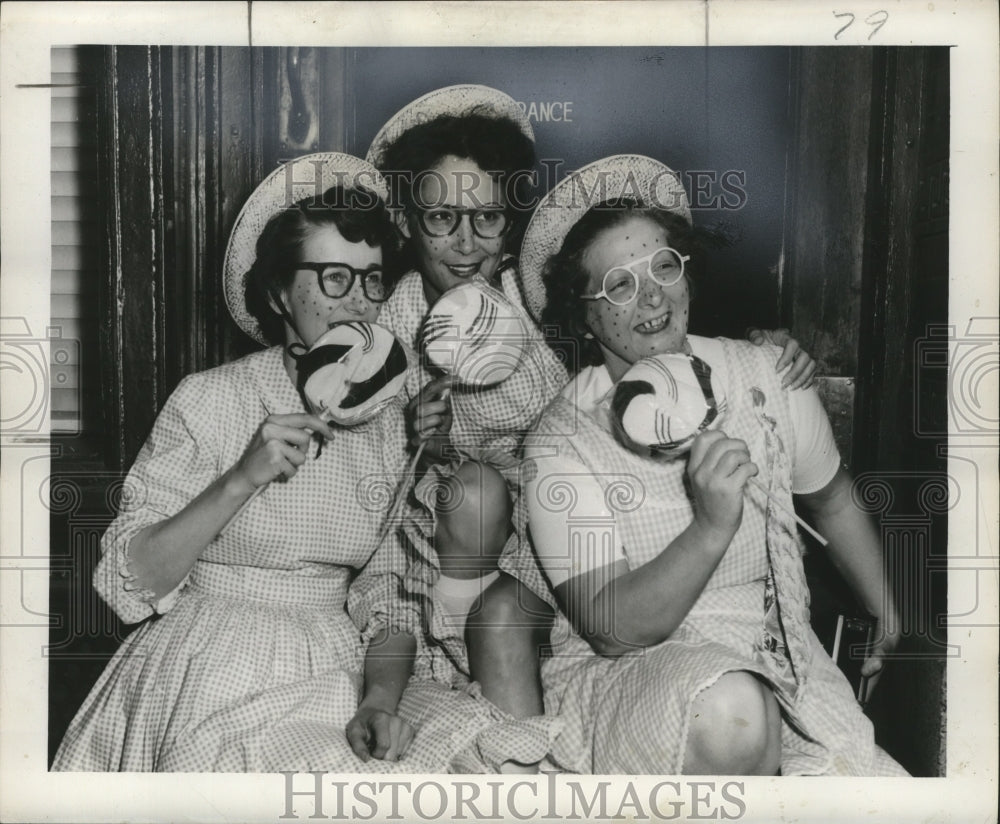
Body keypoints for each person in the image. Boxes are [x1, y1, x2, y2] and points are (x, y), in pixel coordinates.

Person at [360, 86, 819, 772]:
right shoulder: (386, 336)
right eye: (441, 217)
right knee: (495, 595)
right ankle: (527, 762)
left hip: (585, 516)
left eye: (487, 218)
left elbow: (643, 341)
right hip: (470, 540)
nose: (465, 241)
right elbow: (367, 485)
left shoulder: (541, 296)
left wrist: (760, 347)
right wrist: (409, 438)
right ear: (407, 219)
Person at [514, 154, 908, 775]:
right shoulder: (560, 442)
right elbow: (612, 629)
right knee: (731, 712)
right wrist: (709, 527)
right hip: (625, 676)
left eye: (663, 266)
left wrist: (888, 614)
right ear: (584, 315)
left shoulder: (767, 378)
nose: (651, 296)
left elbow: (831, 499)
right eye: (618, 283)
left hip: (776, 655)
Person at [52, 153, 419, 771]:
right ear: (279, 292)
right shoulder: (210, 397)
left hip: (333, 667)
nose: (360, 302)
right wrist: (242, 478)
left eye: (373, 280)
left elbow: (390, 597)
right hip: (206, 656)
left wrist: (378, 698)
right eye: (335, 278)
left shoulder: (390, 421)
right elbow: (127, 579)